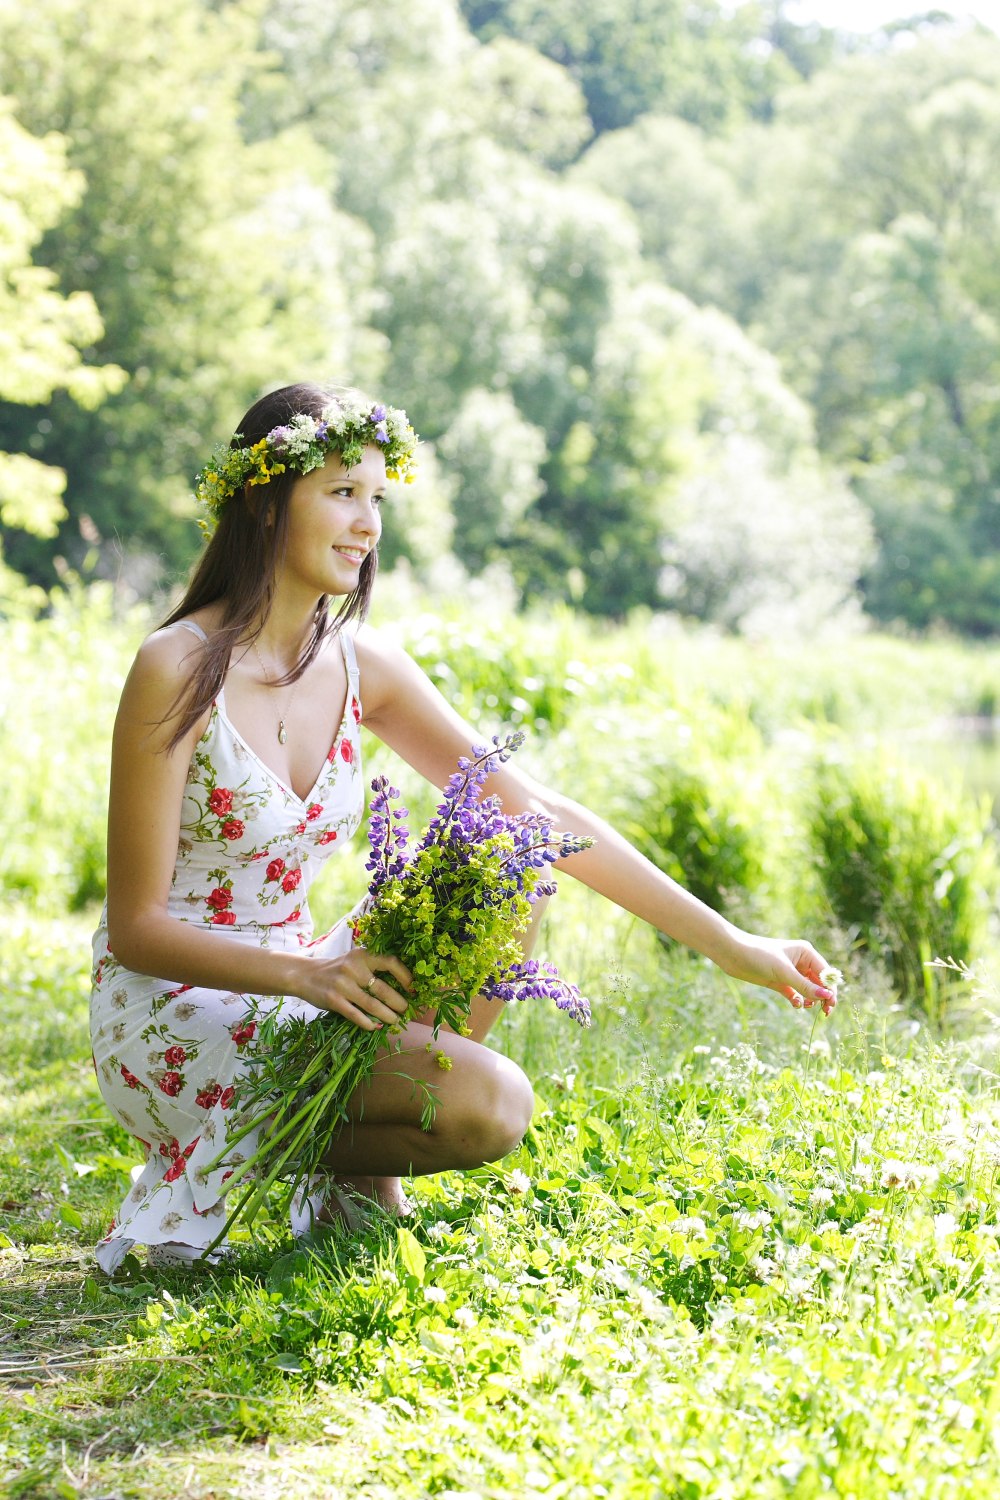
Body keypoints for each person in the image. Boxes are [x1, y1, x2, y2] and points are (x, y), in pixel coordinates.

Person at [89, 381, 837, 1272]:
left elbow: (545, 813)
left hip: (312, 974)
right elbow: (138, 931)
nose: (368, 524)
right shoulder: (175, 667)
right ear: (264, 500)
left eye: (377, 498)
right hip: (176, 1005)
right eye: (341, 492)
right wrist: (305, 973)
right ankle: (298, 1162)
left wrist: (732, 945)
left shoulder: (366, 666)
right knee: (491, 1103)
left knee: (520, 856)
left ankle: (353, 1157)